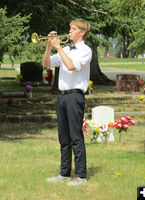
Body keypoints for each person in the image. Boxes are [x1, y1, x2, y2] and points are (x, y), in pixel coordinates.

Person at [42, 19, 92, 186]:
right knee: (63, 137)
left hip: (75, 96)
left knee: (75, 136)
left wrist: (58, 47)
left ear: (82, 32)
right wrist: (49, 46)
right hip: (62, 96)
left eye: (73, 28)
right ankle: (64, 173)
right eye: (70, 28)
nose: (69, 31)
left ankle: (81, 175)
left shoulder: (85, 50)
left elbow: (71, 66)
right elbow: (46, 64)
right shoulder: (67, 49)